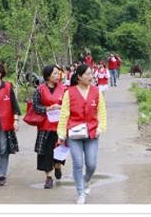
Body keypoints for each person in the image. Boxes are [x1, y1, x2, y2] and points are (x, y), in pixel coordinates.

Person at [57, 63, 107, 205]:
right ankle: (80, 192)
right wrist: (61, 134)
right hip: (74, 133)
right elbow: (64, 114)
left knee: (91, 164)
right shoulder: (69, 93)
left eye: (91, 74)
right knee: (78, 164)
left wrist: (100, 128)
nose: (90, 77)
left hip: (92, 133)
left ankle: (86, 180)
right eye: (87, 74)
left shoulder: (97, 92)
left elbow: (101, 112)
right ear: (79, 77)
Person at [33, 64, 66, 189]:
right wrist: (48, 108)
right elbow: (36, 107)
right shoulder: (39, 90)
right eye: (55, 74)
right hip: (45, 126)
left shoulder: (64, 89)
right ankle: (48, 177)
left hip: (60, 126)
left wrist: (61, 108)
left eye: (58, 73)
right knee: (46, 153)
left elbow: (69, 106)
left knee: (59, 150)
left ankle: (58, 166)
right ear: (47, 76)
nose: (58, 76)